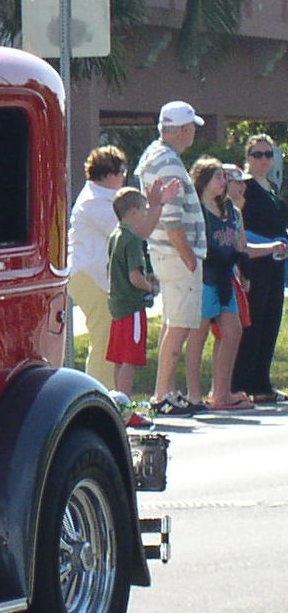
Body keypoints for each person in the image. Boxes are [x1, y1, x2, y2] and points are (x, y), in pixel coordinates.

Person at [136, 101, 207, 415]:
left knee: (172, 323)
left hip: (164, 251)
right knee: (179, 325)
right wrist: (188, 254)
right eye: (192, 128)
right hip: (175, 253)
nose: (193, 133)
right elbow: (172, 218)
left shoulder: (155, 154)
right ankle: (163, 395)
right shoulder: (169, 162)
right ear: (185, 129)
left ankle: (166, 391)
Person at [182, 157, 255, 413]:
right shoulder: (196, 211)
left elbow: (240, 244)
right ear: (202, 180)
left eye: (224, 178)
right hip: (203, 278)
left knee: (232, 332)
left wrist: (244, 270)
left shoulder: (232, 211)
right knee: (198, 335)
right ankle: (194, 394)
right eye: (218, 177)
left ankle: (221, 392)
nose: (223, 183)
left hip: (226, 277)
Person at [68, 145, 130, 388]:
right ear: (108, 174)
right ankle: (97, 396)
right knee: (103, 340)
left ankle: (106, 395)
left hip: (97, 276)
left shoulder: (105, 198)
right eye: (122, 171)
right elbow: (126, 231)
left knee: (108, 340)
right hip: (88, 276)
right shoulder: (94, 201)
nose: (124, 176)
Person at [234, 134, 288, 402]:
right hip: (254, 262)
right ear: (248, 158)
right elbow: (237, 224)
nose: (264, 160)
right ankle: (241, 383)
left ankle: (262, 384)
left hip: (276, 263)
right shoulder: (244, 187)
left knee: (271, 320)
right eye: (258, 154)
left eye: (268, 154)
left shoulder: (272, 187)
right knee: (251, 323)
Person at [105, 187, 160, 398]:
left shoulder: (115, 235)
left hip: (118, 305)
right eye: (145, 209)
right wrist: (151, 287)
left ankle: (119, 402)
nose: (147, 213)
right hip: (133, 306)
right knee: (130, 358)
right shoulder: (133, 239)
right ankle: (126, 406)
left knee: (119, 358)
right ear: (134, 212)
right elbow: (135, 278)